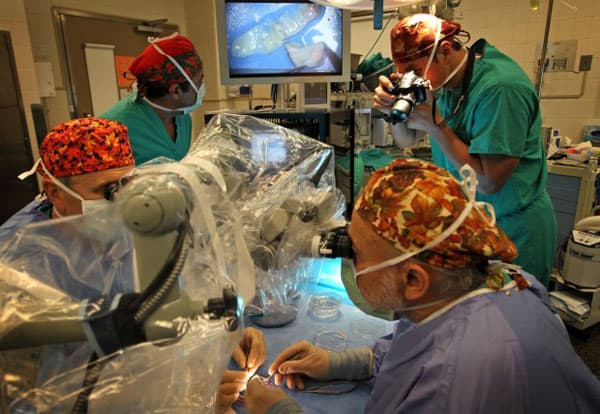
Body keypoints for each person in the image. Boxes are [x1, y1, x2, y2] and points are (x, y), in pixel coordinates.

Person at [243, 159, 600, 413]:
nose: (348, 264)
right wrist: (338, 363)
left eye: (357, 255)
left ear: (414, 280)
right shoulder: (501, 281)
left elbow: (439, 370)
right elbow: (417, 349)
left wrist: (279, 411)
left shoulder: (454, 380)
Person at [374, 14, 556, 287]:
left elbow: (488, 181)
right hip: (470, 222)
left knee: (509, 320)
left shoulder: (500, 88)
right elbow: (405, 141)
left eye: (415, 69)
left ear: (445, 50)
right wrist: (391, 110)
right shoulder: (444, 80)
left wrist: (437, 128)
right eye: (403, 71)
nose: (412, 78)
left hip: (513, 228)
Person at [0, 116, 135, 243]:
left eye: (126, 184)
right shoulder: (13, 252)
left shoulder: (134, 227)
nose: (121, 198)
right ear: (55, 193)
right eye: (108, 189)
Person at [102, 33, 205, 165]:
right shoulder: (112, 130)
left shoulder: (182, 118)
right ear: (176, 91)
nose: (202, 86)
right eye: (199, 81)